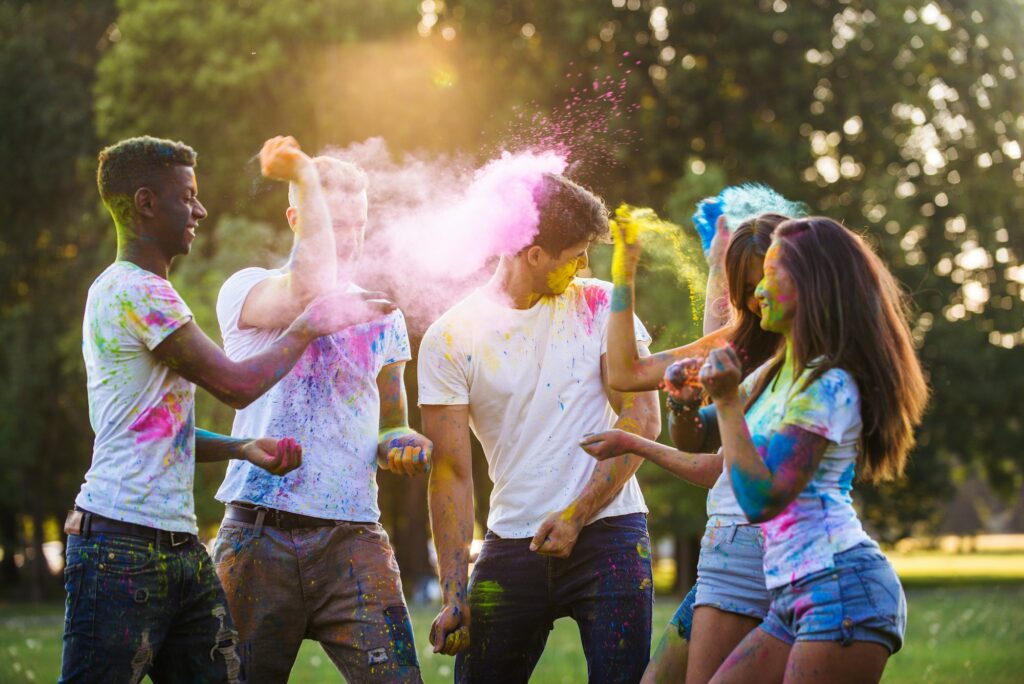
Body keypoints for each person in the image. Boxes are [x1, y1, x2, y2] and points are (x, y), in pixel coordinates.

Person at [62, 135, 387, 683]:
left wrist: (240, 448)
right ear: (146, 203)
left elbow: (155, 433)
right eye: (187, 196)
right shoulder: (137, 292)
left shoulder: (143, 291)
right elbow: (237, 387)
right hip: (120, 544)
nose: (200, 209)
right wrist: (307, 326)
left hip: (176, 545)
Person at [419, 173, 662, 683]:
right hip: (511, 542)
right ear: (532, 254)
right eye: (574, 254)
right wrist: (455, 594)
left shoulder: (601, 306)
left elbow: (641, 418)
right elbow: (450, 475)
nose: (584, 266)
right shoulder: (450, 336)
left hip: (611, 535)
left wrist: (577, 513)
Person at [211, 150, 430, 683]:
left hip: (354, 538)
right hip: (257, 534)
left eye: (357, 224)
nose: (349, 238)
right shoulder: (249, 290)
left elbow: (391, 419)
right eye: (334, 225)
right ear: (297, 220)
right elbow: (306, 290)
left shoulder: (381, 314)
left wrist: (402, 441)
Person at [700, 217, 928, 683]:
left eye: (771, 273)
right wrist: (691, 399)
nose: (758, 290)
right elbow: (702, 433)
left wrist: (725, 401)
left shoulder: (828, 384)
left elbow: (762, 499)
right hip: (792, 596)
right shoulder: (783, 375)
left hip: (839, 590)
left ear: (811, 283)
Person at [582, 210, 790, 684]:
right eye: (746, 288)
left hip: (766, 551)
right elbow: (627, 372)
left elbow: (721, 468)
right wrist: (624, 274)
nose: (757, 299)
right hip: (727, 548)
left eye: (766, 282)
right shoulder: (742, 342)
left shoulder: (807, 366)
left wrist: (634, 441)